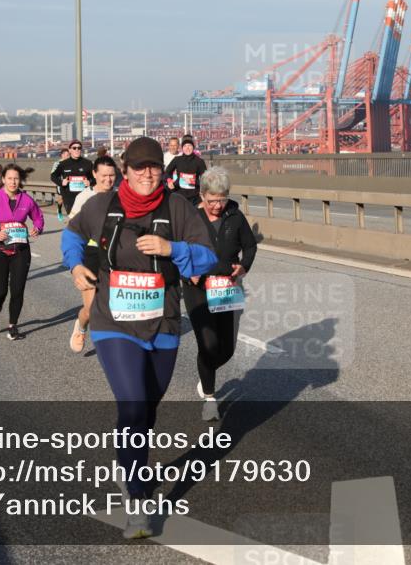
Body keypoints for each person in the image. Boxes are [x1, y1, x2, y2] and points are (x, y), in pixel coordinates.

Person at [61, 137, 216, 539]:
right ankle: (137, 501)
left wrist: (172, 247)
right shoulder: (101, 205)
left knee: (147, 408)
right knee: (132, 404)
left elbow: (207, 255)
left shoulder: (177, 207)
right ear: (125, 170)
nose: (148, 174)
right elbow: (72, 235)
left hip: (163, 322)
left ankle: (128, 459)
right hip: (113, 321)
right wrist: (76, 266)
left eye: (153, 167)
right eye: (139, 167)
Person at [182, 167, 257, 420]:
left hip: (226, 287)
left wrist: (243, 265)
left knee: (226, 350)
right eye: (212, 200)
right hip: (198, 288)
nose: (217, 205)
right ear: (202, 195)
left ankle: (205, 375)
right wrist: (186, 270)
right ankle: (210, 398)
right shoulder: (191, 217)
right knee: (208, 343)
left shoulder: (234, 216)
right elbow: (178, 248)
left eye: (222, 199)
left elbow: (249, 245)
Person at [0, 164, 44, 340]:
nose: (13, 182)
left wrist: (37, 228)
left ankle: (13, 326)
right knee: (0, 291)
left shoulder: (26, 199)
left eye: (16, 178)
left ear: (19, 180)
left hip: (21, 250)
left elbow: (38, 217)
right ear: (3, 179)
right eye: (10, 178)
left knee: (18, 290)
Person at [67, 155, 118, 353]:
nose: (108, 180)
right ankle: (80, 327)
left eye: (112, 175)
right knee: (90, 309)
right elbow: (72, 231)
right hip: (90, 254)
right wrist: (75, 263)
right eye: (104, 175)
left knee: (115, 306)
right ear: (95, 174)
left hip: (114, 255)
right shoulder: (84, 198)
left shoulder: (121, 196)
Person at [50, 141, 94, 217]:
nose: (77, 150)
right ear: (70, 150)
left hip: (84, 196)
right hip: (69, 197)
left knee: (84, 219)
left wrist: (90, 182)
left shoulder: (88, 163)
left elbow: (95, 178)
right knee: (73, 220)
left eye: (79, 148)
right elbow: (53, 176)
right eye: (74, 148)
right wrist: (61, 182)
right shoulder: (63, 164)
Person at [164, 134, 208, 205]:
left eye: (189, 145)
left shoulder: (199, 161)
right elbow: (167, 173)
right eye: (185, 146)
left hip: (195, 197)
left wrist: (193, 182)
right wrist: (169, 181)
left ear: (193, 147)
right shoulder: (177, 160)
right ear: (182, 148)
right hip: (179, 195)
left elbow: (206, 180)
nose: (187, 148)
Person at [51, 148, 70, 222]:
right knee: (61, 199)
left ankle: (70, 216)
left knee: (69, 199)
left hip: (70, 184)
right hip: (60, 184)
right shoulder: (57, 163)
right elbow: (53, 174)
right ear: (62, 155)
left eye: (68, 155)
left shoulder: (70, 163)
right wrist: (60, 181)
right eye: (66, 155)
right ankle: (59, 210)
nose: (67, 156)